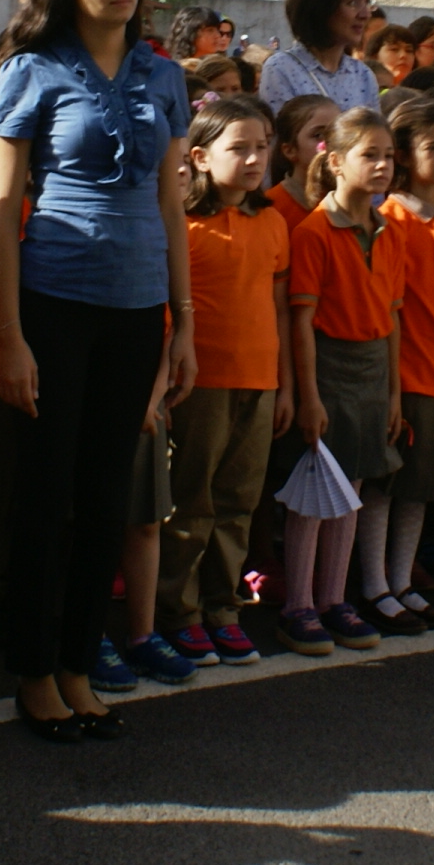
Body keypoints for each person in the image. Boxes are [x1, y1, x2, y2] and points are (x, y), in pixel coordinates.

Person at [0, 0, 193, 741]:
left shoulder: (164, 76)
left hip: (139, 310)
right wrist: (8, 336)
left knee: (107, 498)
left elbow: (173, 205)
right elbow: (4, 213)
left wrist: (185, 325)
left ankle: (78, 662)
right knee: (47, 497)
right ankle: (34, 671)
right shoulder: (32, 71)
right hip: (54, 305)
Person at [158, 95, 292, 668]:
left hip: (259, 382)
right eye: (238, 147)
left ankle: (224, 608)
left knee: (238, 501)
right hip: (200, 384)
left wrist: (284, 385)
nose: (255, 158)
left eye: (262, 146)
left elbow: (280, 306)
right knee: (192, 502)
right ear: (200, 157)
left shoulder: (274, 221)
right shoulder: (183, 224)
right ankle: (178, 611)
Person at [280, 108, 402, 656]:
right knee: (313, 491)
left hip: (374, 372)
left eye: (389, 155)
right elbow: (300, 322)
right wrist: (308, 396)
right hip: (329, 368)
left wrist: (394, 391)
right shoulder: (313, 232)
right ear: (334, 162)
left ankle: (334, 598)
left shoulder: (389, 231)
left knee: (351, 489)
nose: (381, 166)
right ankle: (298, 604)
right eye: (369, 154)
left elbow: (393, 316)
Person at [369, 95, 434, 634]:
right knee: (385, 487)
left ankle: (402, 581)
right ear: (405, 153)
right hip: (406, 374)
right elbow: (390, 307)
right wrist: (392, 385)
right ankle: (374, 587)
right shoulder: (390, 217)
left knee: (421, 490)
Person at [258, 0, 382, 116]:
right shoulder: (281, 69)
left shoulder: (363, 75)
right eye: (353, 3)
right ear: (322, 5)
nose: (365, 14)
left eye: (367, 3)